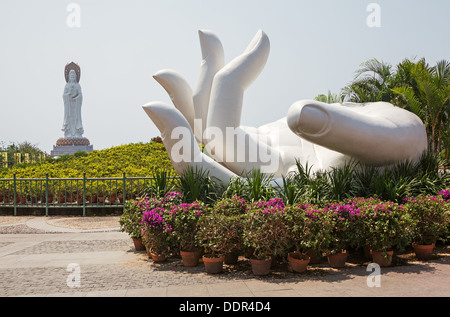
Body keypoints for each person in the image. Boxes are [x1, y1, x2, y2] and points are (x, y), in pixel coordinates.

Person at [143, 30, 427, 185]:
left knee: (219, 132)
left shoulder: (392, 128)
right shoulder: (382, 123)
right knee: (220, 135)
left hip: (286, 164)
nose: (351, 107)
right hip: (274, 149)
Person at [62, 69, 84, 138]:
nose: (72, 76)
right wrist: (68, 95)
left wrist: (76, 98)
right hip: (68, 106)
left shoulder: (78, 85)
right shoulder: (67, 86)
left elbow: (80, 95)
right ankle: (68, 133)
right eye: (70, 75)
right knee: (68, 118)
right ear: (68, 76)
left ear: (75, 76)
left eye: (73, 75)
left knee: (77, 118)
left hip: (76, 105)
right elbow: (64, 95)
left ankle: (77, 133)